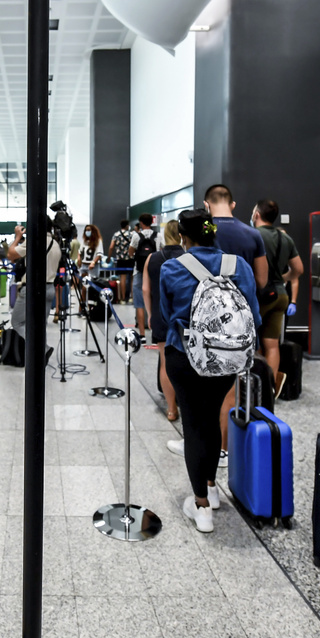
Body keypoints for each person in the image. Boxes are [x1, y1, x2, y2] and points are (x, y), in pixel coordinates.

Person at [158, 209, 259, 533]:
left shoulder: (173, 267)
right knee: (213, 419)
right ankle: (212, 488)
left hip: (184, 355)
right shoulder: (237, 266)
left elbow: (167, 313)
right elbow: (252, 313)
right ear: (212, 232)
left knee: (193, 425)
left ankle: (201, 506)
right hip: (225, 359)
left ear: (183, 237)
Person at [204, 185, 269, 459]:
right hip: (241, 321)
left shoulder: (203, 233)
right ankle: (225, 448)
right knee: (231, 387)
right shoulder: (252, 234)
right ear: (232, 204)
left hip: (206, 319)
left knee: (203, 388)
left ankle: (205, 448)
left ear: (206, 205)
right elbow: (262, 281)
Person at [252, 199, 304, 396]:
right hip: (280, 296)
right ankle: (270, 389)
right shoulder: (285, 239)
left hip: (259, 296)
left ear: (257, 214)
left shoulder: (253, 235)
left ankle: (255, 388)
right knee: (272, 344)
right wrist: (283, 278)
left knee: (255, 344)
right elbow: (298, 269)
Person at [142, 220, 184, 421]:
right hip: (184, 316)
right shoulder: (189, 258)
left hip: (160, 315)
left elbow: (145, 290)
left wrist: (150, 314)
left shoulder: (152, 258)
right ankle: (186, 404)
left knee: (165, 362)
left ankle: (171, 409)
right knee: (187, 362)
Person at [8, 221, 62, 341]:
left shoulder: (34, 241)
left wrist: (17, 237)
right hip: (49, 288)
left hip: (32, 288)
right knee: (41, 325)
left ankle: (42, 350)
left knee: (17, 323)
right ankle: (41, 357)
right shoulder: (55, 244)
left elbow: (11, 255)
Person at [129, 213, 158, 332]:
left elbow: (130, 252)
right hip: (153, 272)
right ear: (152, 222)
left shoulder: (136, 236)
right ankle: (155, 333)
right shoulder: (158, 236)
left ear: (141, 223)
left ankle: (142, 335)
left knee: (139, 304)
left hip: (139, 272)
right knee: (154, 302)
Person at [109, 220, 134, 301]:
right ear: (127, 225)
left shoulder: (116, 234)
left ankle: (123, 298)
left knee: (122, 279)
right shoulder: (131, 234)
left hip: (120, 259)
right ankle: (132, 297)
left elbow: (111, 247)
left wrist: (109, 257)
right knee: (132, 279)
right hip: (130, 259)